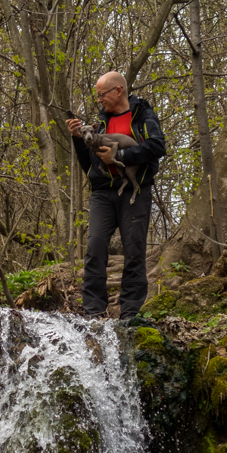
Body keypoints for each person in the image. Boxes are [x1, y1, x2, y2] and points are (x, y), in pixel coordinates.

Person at [66, 71, 166, 320]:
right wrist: (78, 138)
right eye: (97, 96)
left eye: (102, 95)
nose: (99, 100)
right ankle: (93, 311)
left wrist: (120, 157)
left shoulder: (143, 114)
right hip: (102, 192)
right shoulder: (99, 122)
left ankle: (130, 313)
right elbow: (88, 163)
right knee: (95, 246)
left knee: (134, 249)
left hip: (135, 190)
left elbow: (157, 146)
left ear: (118, 91)